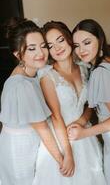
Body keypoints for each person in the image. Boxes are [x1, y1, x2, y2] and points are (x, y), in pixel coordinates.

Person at [33, 21, 106, 185]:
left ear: (69, 38)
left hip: (83, 134)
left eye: (60, 40)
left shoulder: (84, 68)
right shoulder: (47, 76)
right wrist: (68, 154)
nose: (57, 48)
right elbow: (56, 117)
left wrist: (82, 120)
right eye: (50, 45)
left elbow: (90, 104)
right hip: (61, 139)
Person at [68, 19, 110, 185]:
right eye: (76, 45)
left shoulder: (101, 72)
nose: (81, 50)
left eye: (87, 42)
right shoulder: (107, 62)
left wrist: (83, 133)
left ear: (100, 40)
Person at [0, 19, 63, 185]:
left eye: (43, 46)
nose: (40, 53)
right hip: (20, 149)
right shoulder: (21, 85)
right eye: (31, 48)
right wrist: (61, 160)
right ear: (18, 54)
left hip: (27, 141)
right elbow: (42, 128)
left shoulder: (32, 72)